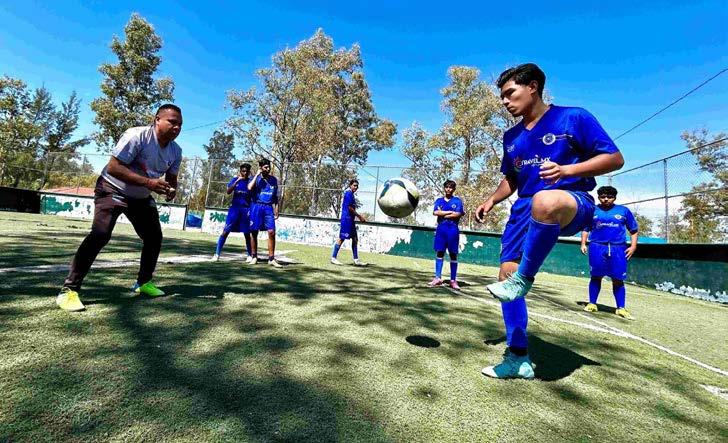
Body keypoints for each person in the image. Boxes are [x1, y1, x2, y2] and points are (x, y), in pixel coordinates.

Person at [475, 63, 624, 379]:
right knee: (506, 275)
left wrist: (567, 170)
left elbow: (614, 158)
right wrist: (491, 200)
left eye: (510, 93)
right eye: (502, 96)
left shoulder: (573, 118)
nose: (504, 101)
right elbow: (512, 179)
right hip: (523, 211)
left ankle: (525, 277)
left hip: (571, 201)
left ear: (533, 87)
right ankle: (518, 358)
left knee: (545, 200)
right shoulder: (511, 137)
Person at [56, 104, 183, 312]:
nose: (176, 127)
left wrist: (171, 190)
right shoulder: (137, 136)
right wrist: (149, 183)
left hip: (140, 197)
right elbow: (114, 167)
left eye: (180, 125)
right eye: (172, 122)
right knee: (100, 234)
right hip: (112, 189)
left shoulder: (176, 151)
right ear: (157, 119)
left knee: (154, 237)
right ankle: (69, 290)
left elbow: (171, 177)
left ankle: (143, 283)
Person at [581, 186, 638, 319]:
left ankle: (621, 308)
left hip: (618, 248)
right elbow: (586, 228)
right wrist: (583, 243)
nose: (606, 199)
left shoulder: (623, 211)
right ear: (599, 197)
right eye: (603, 197)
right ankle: (592, 303)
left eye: (609, 197)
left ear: (615, 198)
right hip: (597, 247)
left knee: (618, 279)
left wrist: (633, 246)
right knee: (596, 276)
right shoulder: (593, 210)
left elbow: (633, 230)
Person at [212, 163, 253, 262]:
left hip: (246, 210)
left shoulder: (251, 182)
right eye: (243, 171)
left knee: (247, 233)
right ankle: (216, 254)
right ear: (240, 171)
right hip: (234, 209)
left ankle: (249, 255)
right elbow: (228, 191)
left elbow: (253, 197)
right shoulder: (235, 180)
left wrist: (251, 210)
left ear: (249, 172)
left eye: (247, 171)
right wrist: (236, 182)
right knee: (225, 232)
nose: (245, 173)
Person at [428, 180, 464, 290]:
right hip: (441, 230)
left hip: (452, 230)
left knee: (453, 254)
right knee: (440, 252)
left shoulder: (457, 201)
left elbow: (458, 213)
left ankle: (453, 280)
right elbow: (435, 212)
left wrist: (443, 213)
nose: (448, 189)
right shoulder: (439, 201)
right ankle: (437, 278)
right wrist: (449, 212)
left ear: (454, 189)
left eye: (451, 187)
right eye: (447, 187)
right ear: (444, 188)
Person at [248, 158, 282, 267]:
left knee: (271, 232)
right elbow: (249, 187)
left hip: (268, 208)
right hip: (256, 206)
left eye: (269, 167)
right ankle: (254, 256)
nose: (268, 169)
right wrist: (257, 175)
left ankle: (271, 258)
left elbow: (275, 196)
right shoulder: (255, 178)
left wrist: (276, 209)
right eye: (266, 167)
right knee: (254, 232)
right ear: (261, 168)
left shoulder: (273, 180)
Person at [331, 179, 367, 266]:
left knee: (355, 239)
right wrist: (359, 216)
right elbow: (350, 208)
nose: (356, 187)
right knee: (342, 238)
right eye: (354, 185)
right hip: (346, 220)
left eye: (357, 186)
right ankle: (333, 258)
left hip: (351, 220)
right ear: (350, 185)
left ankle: (356, 260)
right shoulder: (348, 194)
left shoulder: (352, 195)